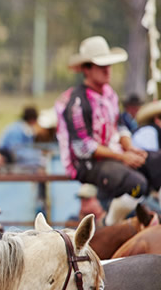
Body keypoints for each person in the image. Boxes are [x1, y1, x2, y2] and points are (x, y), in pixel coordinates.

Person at [55, 35, 161, 225]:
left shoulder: (109, 94)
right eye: (101, 66)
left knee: (157, 162)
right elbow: (83, 147)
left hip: (112, 155)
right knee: (137, 184)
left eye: (108, 65)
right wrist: (123, 157)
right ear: (87, 69)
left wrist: (129, 148)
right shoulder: (78, 103)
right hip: (87, 164)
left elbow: (119, 126)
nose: (107, 71)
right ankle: (111, 222)